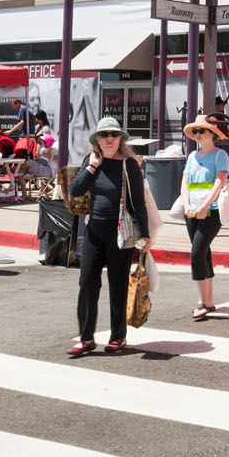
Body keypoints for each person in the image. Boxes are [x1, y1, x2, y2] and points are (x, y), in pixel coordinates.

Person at [68, 116, 150, 355]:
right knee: (87, 283)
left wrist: (144, 235)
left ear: (120, 138)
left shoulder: (129, 164)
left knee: (117, 285)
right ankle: (86, 338)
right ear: (97, 139)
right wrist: (92, 167)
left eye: (114, 135)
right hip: (94, 232)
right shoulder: (91, 161)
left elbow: (139, 203)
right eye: (104, 135)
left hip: (120, 233)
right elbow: (75, 190)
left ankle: (118, 336)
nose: (109, 139)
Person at [181, 114, 229, 321]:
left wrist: (204, 206)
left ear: (212, 133)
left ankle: (203, 302)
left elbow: (219, 182)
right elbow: (184, 183)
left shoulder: (220, 155)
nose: (198, 134)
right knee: (203, 253)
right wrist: (187, 204)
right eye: (195, 131)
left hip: (211, 210)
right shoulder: (192, 157)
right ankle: (209, 301)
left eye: (202, 130)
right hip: (191, 211)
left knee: (197, 253)